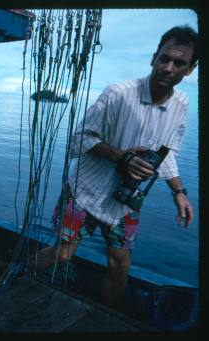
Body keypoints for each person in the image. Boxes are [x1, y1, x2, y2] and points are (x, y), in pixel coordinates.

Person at [37, 25, 197, 310]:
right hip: (86, 191)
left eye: (179, 63)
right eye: (164, 58)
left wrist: (179, 192)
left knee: (120, 265)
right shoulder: (118, 94)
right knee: (63, 253)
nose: (168, 67)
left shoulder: (182, 104)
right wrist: (121, 157)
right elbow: (78, 139)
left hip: (125, 201)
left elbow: (167, 152)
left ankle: (107, 318)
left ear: (190, 70)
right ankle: (19, 272)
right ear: (153, 58)